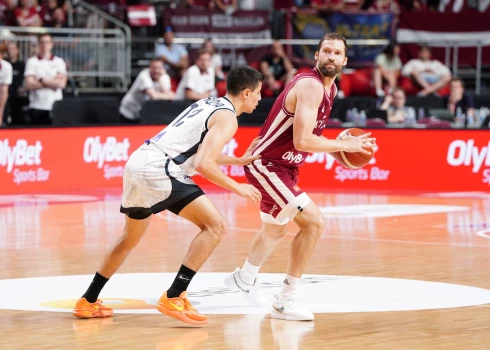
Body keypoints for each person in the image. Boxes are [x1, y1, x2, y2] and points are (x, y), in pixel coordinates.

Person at [73, 65, 264, 325]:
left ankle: (88, 301)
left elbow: (199, 150)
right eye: (258, 93)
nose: (260, 99)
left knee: (129, 237)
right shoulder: (228, 118)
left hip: (139, 161)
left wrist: (238, 160)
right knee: (215, 226)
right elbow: (204, 164)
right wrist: (238, 186)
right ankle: (174, 296)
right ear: (246, 92)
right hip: (158, 168)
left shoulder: (209, 103)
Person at [224, 33, 375, 321]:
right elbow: (304, 140)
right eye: (326, 51)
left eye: (337, 53)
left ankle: (244, 278)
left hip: (284, 167)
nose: (331, 56)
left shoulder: (330, 90)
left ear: (344, 60)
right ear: (316, 56)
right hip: (267, 165)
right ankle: (286, 299)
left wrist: (343, 152)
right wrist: (345, 145)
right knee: (314, 223)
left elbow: (311, 136)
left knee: (275, 230)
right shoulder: (310, 85)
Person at [119, 59, 175, 123]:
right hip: (128, 112)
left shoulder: (164, 77)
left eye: (159, 68)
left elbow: (170, 95)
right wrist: (167, 95)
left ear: (163, 68)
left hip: (141, 113)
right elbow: (154, 96)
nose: (156, 71)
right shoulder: (143, 76)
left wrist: (160, 80)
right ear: (149, 68)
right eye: (154, 68)